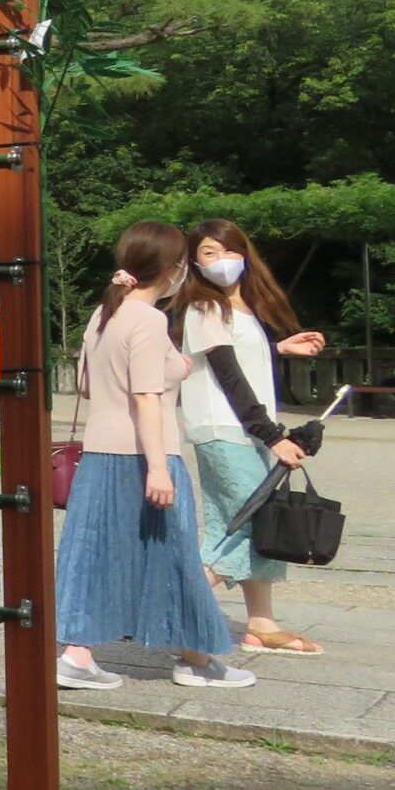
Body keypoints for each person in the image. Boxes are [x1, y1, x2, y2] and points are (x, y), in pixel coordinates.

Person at [56, 220, 257, 693]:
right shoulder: (149, 319)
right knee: (175, 551)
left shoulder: (104, 314)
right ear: (172, 269)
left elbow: (88, 384)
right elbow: (145, 397)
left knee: (94, 553)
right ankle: (196, 658)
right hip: (147, 454)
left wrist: (172, 369)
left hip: (102, 452)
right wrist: (160, 469)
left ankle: (77, 654)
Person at [179, 218, 330, 656]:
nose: (221, 261)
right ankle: (183, 615)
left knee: (248, 521)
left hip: (243, 432)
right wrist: (273, 435)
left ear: (245, 254)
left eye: (228, 251)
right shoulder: (204, 307)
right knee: (250, 522)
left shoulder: (242, 308)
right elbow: (229, 378)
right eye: (209, 252)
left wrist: (278, 347)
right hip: (225, 430)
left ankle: (261, 624)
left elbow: (238, 359)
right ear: (194, 261)